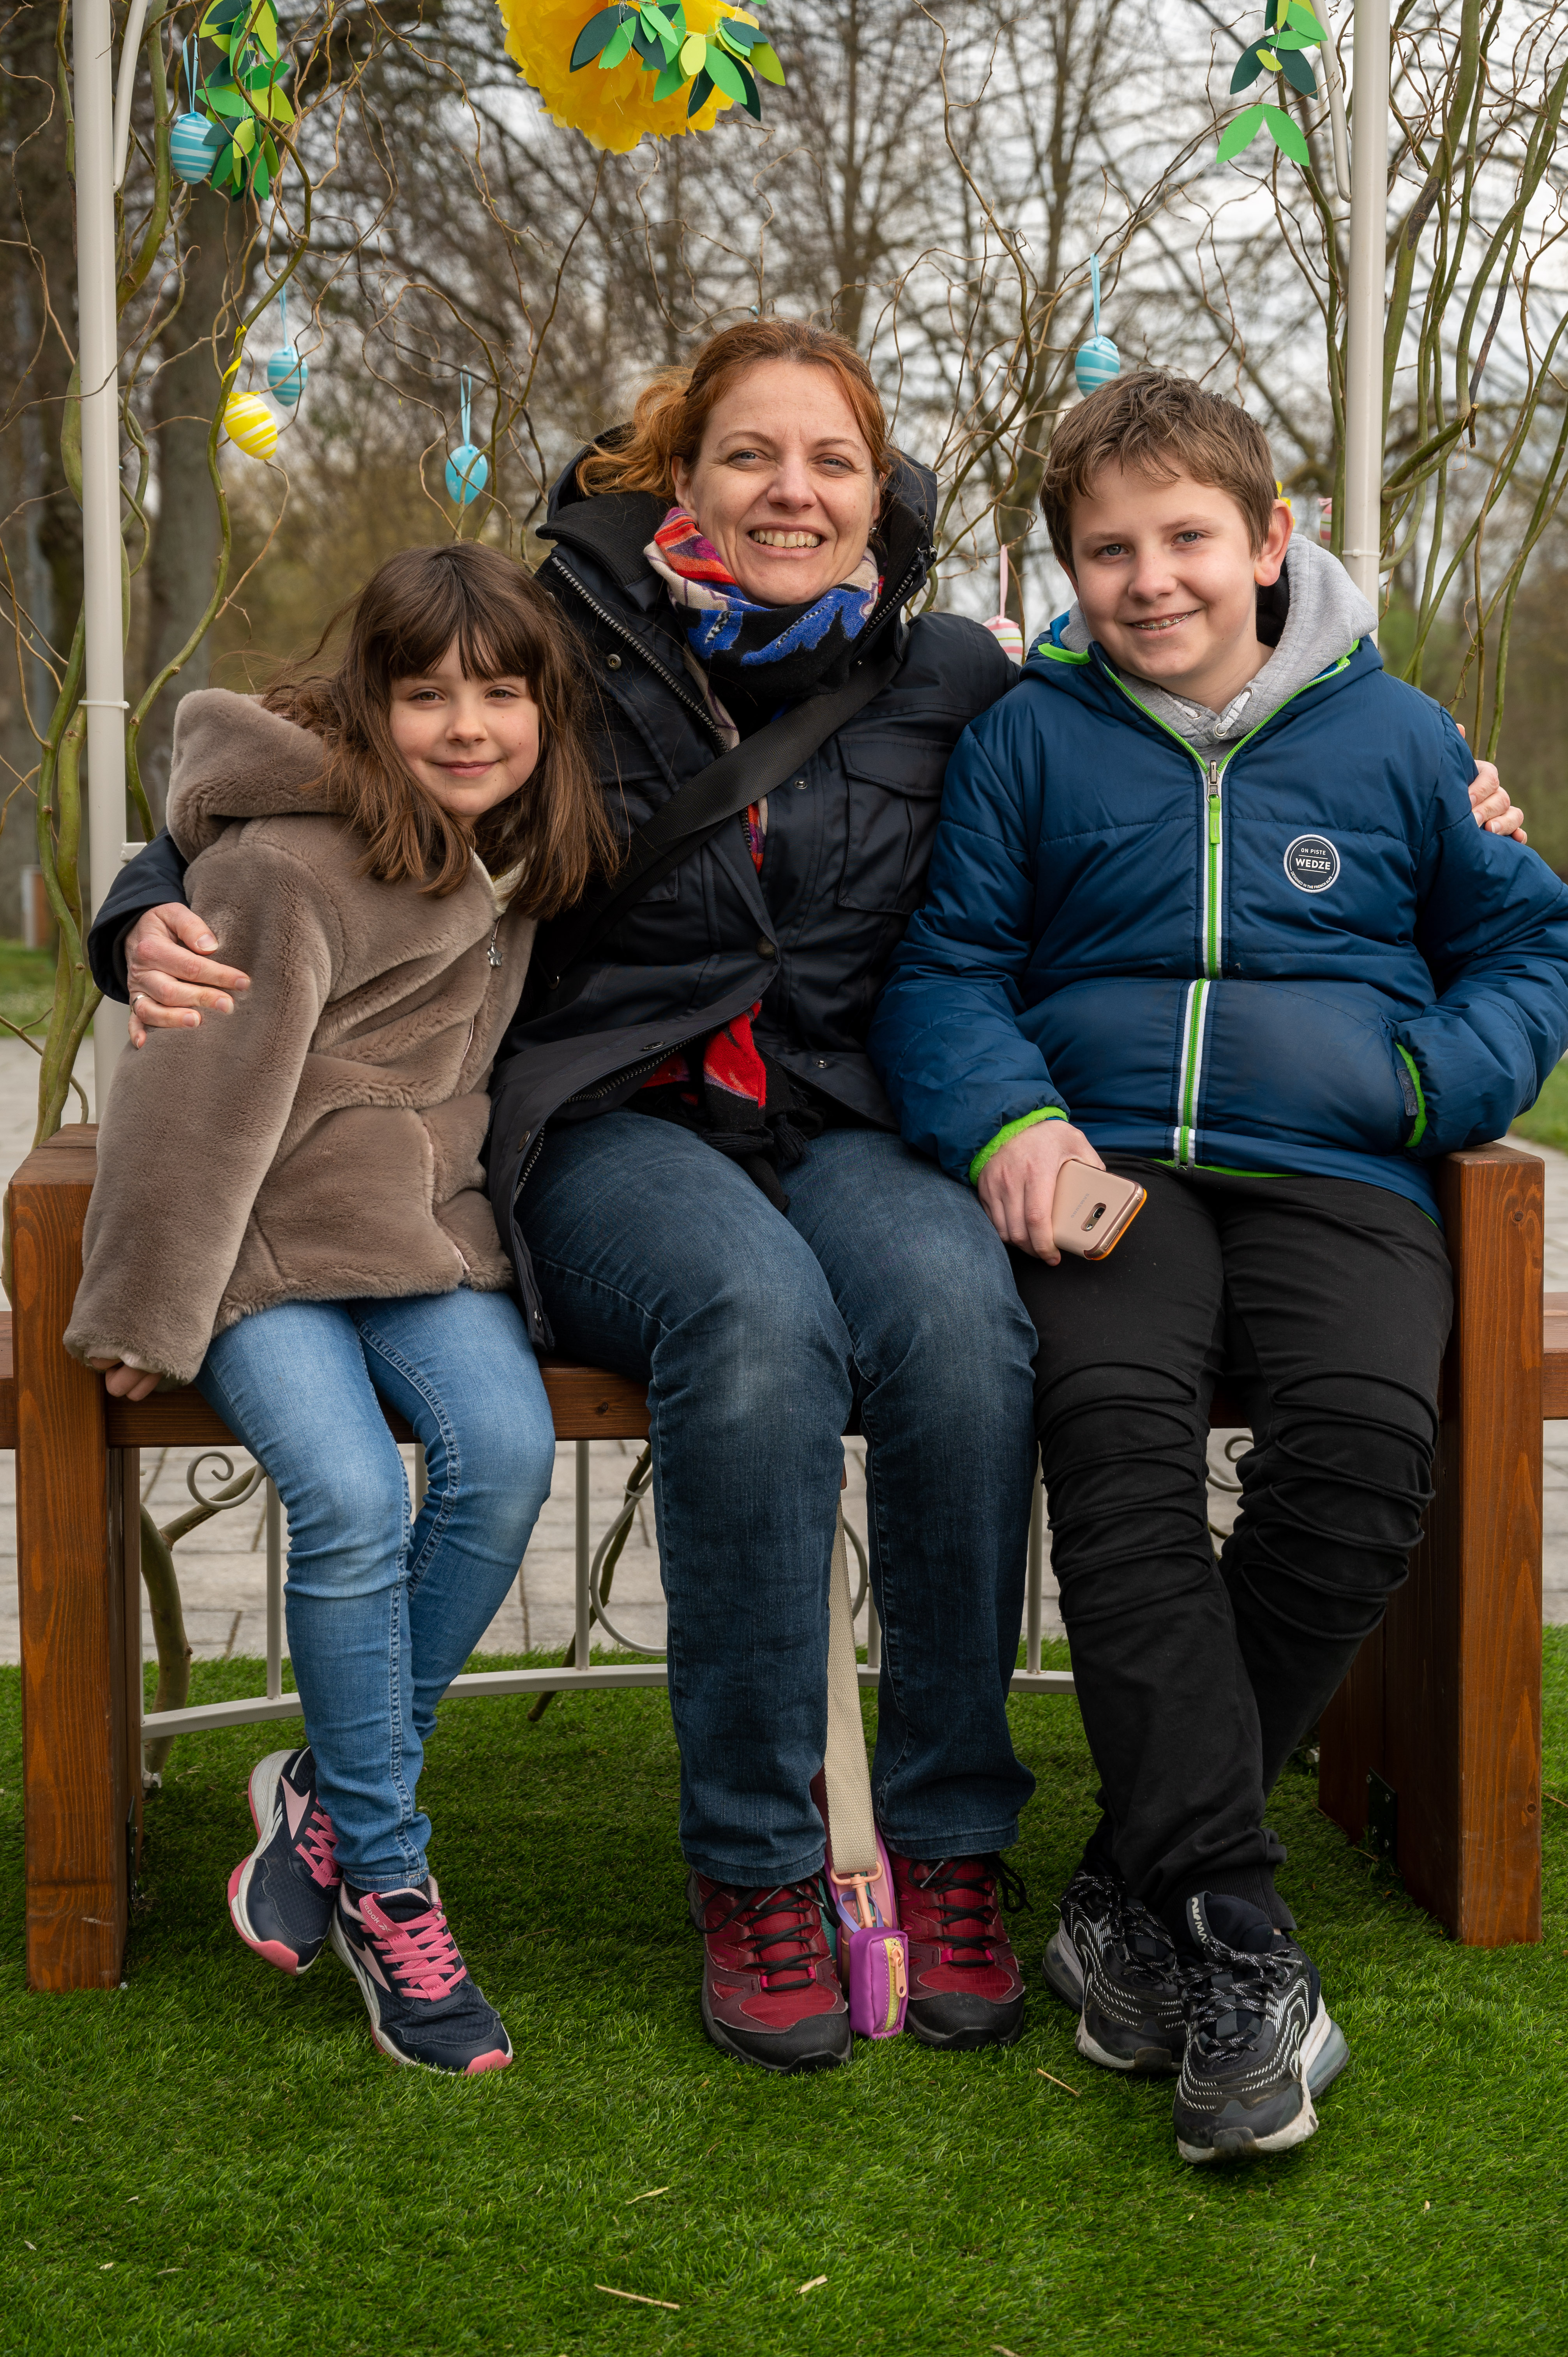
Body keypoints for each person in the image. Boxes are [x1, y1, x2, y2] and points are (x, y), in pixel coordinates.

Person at [88, 327, 1522, 2081]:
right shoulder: (565, 639)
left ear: (876, 488)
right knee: (756, 1327)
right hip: (614, 1115)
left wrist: (1458, 793)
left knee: (962, 1324)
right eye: (750, 457)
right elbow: (308, 752)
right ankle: (761, 1869)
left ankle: (948, 1844)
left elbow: (1168, 706)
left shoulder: (947, 671)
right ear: (679, 480)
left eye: (831, 461)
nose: (792, 491)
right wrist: (142, 903)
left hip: (843, 1112)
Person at [869, 369, 1568, 2163]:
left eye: (1185, 537)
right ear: (1070, 570)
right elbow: (947, 973)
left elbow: (1527, 953)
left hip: (1342, 1169)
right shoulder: (1027, 740)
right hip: (1109, 1175)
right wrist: (1010, 1125)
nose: (1149, 578)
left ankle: (1129, 1884)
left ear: (1270, 539)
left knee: (1361, 1455)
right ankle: (1240, 1938)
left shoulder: (1399, 737)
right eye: (1108, 551)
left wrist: (1423, 1083)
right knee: (1114, 1456)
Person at [67, 543, 617, 2076]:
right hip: (261, 1256)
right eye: (426, 695)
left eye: (500, 695)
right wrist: (146, 1309)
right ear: (368, 706)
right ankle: (385, 1881)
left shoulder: (518, 851)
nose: (466, 726)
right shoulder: (281, 869)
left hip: (422, 1241)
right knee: (354, 1497)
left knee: (506, 1456)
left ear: (547, 712)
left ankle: (318, 1793)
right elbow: (189, 1105)